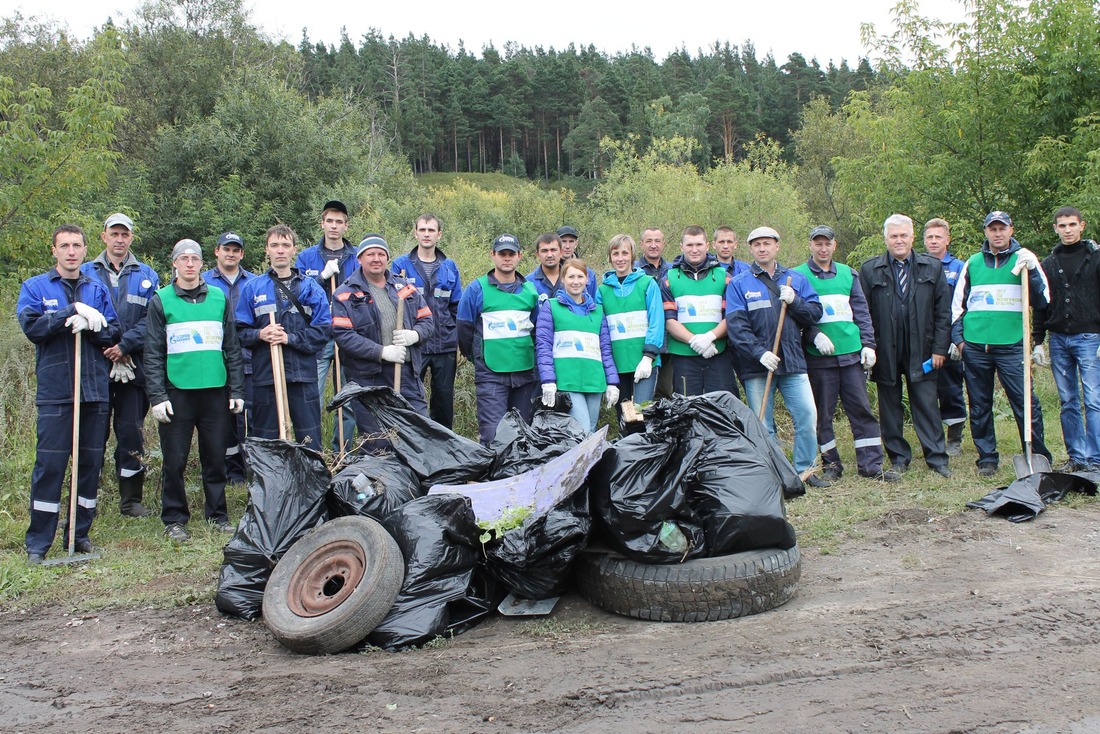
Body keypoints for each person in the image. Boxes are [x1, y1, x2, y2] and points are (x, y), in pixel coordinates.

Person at [18, 224, 121, 563]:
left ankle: (79, 535)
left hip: (94, 391)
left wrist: (96, 325)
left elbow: (114, 332)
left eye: (77, 245)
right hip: (57, 393)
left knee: (89, 465)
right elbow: (33, 328)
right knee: (50, 466)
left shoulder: (96, 288)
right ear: (54, 250)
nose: (72, 252)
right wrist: (69, 314)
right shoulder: (35, 287)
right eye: (65, 245)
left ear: (84, 249)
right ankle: (38, 543)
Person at [145, 239, 245, 543]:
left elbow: (232, 346)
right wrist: (157, 396)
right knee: (174, 460)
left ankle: (218, 515)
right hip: (177, 393)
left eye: (195, 259)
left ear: (203, 264)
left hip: (215, 392)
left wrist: (236, 389)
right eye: (183, 259)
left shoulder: (218, 297)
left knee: (215, 458)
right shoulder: (160, 300)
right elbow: (152, 353)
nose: (190, 264)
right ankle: (174, 518)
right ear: (174, 263)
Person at [794, 226, 899, 483]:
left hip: (851, 355)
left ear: (834, 245)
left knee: (862, 410)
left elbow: (861, 312)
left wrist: (868, 345)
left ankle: (871, 464)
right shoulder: (797, 276)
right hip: (818, 357)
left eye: (827, 243)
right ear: (810, 245)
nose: (822, 248)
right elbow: (797, 315)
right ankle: (831, 464)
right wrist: (813, 334)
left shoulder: (848, 274)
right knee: (823, 414)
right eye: (817, 243)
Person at [951, 210, 1052, 477]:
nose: (997, 233)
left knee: (1025, 402)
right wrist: (959, 340)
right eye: (992, 229)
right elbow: (957, 306)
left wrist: (1031, 272)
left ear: (1011, 230)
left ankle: (1036, 454)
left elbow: (1043, 301)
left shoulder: (1025, 259)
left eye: (1002, 228)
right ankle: (987, 458)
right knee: (980, 404)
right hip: (976, 346)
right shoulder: (972, 264)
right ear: (985, 232)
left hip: (1012, 344)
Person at [726, 226, 823, 484]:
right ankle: (775, 475)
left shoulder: (796, 280)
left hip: (793, 362)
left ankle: (806, 471)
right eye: (756, 244)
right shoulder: (738, 284)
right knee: (763, 426)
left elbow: (814, 314)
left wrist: (796, 302)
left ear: (777, 246)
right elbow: (737, 327)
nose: (762, 248)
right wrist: (759, 353)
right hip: (757, 366)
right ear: (750, 249)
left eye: (767, 243)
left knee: (806, 416)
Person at [860, 214, 952, 477]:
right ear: (885, 238)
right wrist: (868, 347)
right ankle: (899, 457)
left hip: (922, 349)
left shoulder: (932, 267)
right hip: (885, 350)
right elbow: (863, 311)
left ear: (912, 237)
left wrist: (939, 349)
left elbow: (943, 311)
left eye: (903, 235)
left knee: (926, 404)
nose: (898, 241)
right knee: (889, 407)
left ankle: (936, 458)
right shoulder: (870, 269)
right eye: (893, 236)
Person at [81, 212, 160, 517]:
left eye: (124, 234)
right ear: (103, 236)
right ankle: (88, 497)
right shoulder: (86, 273)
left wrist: (124, 346)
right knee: (92, 434)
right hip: (96, 367)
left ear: (131, 238)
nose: (119, 239)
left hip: (133, 368)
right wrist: (108, 346)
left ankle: (131, 501)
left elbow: (152, 321)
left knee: (130, 433)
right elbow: (84, 319)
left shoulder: (147, 276)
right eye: (114, 234)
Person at [332, 235, 434, 446]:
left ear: (387, 258)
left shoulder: (405, 288)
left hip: (406, 374)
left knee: (420, 433)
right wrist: (381, 352)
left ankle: (419, 479)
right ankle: (380, 479)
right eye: (370, 254)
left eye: (381, 254)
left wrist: (414, 334)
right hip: (368, 379)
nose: (376, 258)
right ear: (360, 258)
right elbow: (344, 336)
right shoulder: (345, 294)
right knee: (377, 440)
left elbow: (427, 320)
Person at [236, 225, 330, 447]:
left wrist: (290, 339)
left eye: (285, 245)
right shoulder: (253, 288)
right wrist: (261, 333)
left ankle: (310, 480)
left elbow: (323, 331)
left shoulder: (311, 289)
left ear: (294, 250)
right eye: (274, 245)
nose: (280, 250)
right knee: (266, 438)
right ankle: (270, 482)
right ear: (266, 250)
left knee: (309, 438)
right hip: (266, 376)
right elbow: (238, 332)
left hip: (302, 376)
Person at [1033, 206, 1100, 472]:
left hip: (1090, 338)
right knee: (1068, 400)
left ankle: (1096, 459)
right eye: (1062, 226)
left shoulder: (1095, 258)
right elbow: (1041, 304)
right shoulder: (1049, 263)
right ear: (1055, 229)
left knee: (1093, 399)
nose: (1067, 230)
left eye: (1072, 225)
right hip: (1059, 338)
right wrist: (1038, 341)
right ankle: (1077, 457)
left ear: (1081, 226)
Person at [457, 234, 540, 445]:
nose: (506, 258)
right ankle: (492, 478)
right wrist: (478, 358)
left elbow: (537, 329)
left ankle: (519, 476)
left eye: (511, 254)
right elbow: (464, 329)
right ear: (492, 255)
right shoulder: (476, 289)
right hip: (491, 374)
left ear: (520, 256)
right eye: (501, 253)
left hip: (524, 373)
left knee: (522, 434)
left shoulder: (530, 290)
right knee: (493, 435)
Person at [391, 214, 463, 428]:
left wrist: (458, 341)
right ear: (415, 233)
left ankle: (443, 447)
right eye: (422, 230)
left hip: (444, 344)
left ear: (439, 234)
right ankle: (411, 443)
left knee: (443, 401)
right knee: (410, 399)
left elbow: (456, 306)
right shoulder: (401, 265)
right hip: (415, 344)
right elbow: (392, 303)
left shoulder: (450, 267)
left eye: (431, 230)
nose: (426, 234)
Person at [296, 200, 357, 451]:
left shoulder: (356, 257)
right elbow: (296, 293)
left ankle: (342, 451)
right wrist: (320, 278)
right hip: (318, 335)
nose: (334, 226)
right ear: (322, 223)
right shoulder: (306, 257)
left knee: (348, 398)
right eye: (329, 221)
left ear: (346, 226)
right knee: (312, 396)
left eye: (339, 221)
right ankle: (312, 453)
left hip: (348, 335)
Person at [537, 259, 620, 432]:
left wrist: (612, 382)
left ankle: (591, 460)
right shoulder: (551, 307)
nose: (576, 281)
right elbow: (544, 345)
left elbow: (605, 349)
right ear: (563, 279)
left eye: (580, 276)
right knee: (581, 430)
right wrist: (548, 380)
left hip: (594, 380)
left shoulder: (597, 310)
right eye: (571, 276)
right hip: (568, 380)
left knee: (591, 429)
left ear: (587, 279)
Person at [659, 225, 739, 398]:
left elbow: (731, 316)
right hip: (683, 356)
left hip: (717, 353)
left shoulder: (724, 277)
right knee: (687, 409)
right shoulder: (668, 279)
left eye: (699, 245)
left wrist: (709, 337)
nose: (694, 250)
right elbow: (669, 320)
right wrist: (694, 340)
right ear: (681, 247)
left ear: (707, 246)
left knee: (723, 408)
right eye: (689, 245)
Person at [203, 232, 256, 482]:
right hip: (216, 363)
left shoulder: (255, 282)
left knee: (251, 417)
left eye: (236, 250)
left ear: (242, 254)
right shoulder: (203, 283)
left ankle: (252, 468)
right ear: (217, 251)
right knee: (223, 421)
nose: (231, 254)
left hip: (250, 360)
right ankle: (229, 470)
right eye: (226, 249)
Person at [596, 234, 665, 414]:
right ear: (610, 257)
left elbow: (656, 321)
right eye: (615, 253)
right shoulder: (602, 291)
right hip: (617, 365)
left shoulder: (647, 284)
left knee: (641, 414)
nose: (620, 258)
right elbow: (599, 329)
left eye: (624, 253)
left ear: (632, 255)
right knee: (625, 418)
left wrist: (648, 357)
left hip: (644, 362)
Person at [923, 218, 968, 457]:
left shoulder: (959, 267)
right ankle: (933, 437)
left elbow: (964, 304)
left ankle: (955, 438)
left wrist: (957, 338)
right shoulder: (917, 265)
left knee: (951, 388)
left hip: (950, 339)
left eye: (938, 237)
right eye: (929, 237)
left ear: (947, 239)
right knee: (926, 389)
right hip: (924, 339)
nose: (933, 241)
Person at [637, 226, 673, 398]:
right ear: (641, 244)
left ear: (663, 244)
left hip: (671, 343)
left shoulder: (673, 271)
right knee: (643, 395)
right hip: (643, 343)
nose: (653, 245)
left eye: (657, 241)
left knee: (668, 392)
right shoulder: (635, 272)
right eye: (649, 241)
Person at [530, 231, 597, 300]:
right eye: (544, 251)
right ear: (538, 254)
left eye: (553, 250)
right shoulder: (529, 283)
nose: (549, 255)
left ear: (561, 252)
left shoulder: (574, 281)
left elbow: (588, 307)